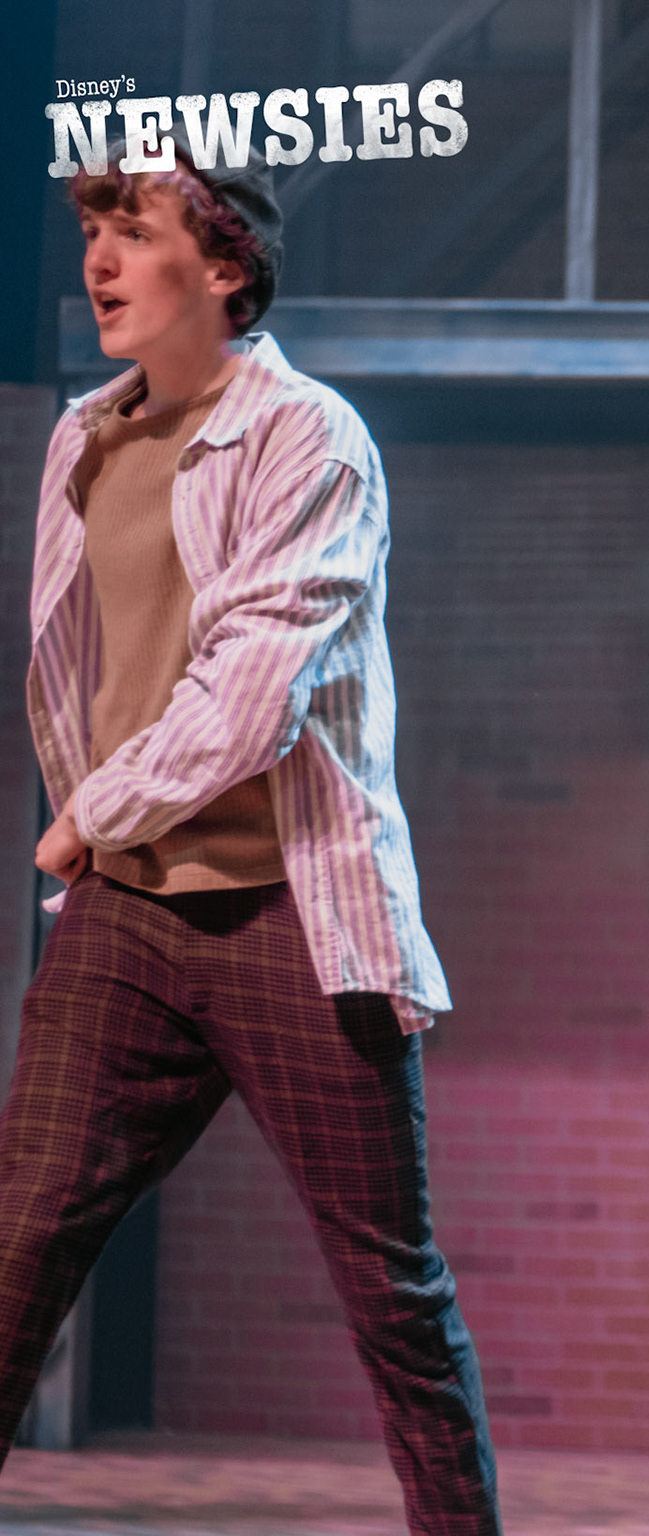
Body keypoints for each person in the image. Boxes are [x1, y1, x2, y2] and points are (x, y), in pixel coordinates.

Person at [1, 144, 499, 1534]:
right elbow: (74, 669)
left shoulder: (311, 438)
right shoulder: (83, 437)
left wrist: (86, 815)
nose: (99, 258)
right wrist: (100, 831)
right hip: (130, 918)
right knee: (15, 1250)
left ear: (224, 267)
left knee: (393, 1295)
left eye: (136, 231)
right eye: (93, 231)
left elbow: (246, 701)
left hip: (292, 916)